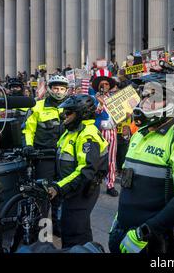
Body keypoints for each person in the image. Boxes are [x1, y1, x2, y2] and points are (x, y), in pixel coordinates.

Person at [108, 72, 174, 254]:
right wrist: (119, 219)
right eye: (145, 95)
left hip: (158, 241)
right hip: (125, 232)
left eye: (153, 96)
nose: (146, 101)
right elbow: (131, 184)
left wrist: (144, 233)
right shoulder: (139, 134)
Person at [48, 95, 109, 248]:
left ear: (81, 114)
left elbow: (86, 170)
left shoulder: (87, 135)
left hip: (82, 189)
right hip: (71, 189)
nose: (64, 116)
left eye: (69, 113)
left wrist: (58, 187)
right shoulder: (71, 131)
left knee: (73, 233)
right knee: (80, 230)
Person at [22, 74, 69, 235]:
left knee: (60, 193)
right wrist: (28, 145)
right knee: (43, 196)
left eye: (62, 88)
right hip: (44, 157)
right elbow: (28, 129)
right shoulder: (37, 107)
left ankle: (57, 227)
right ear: (49, 89)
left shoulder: (70, 108)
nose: (59, 91)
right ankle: (42, 231)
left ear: (67, 90)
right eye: (55, 88)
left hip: (64, 158)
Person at [92, 69, 119, 197]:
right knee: (96, 157)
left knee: (111, 159)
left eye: (107, 84)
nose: (104, 86)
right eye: (102, 84)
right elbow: (94, 114)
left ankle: (110, 184)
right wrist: (100, 103)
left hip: (112, 131)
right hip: (98, 132)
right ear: (98, 86)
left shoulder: (114, 99)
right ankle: (93, 182)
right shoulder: (93, 99)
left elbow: (120, 115)